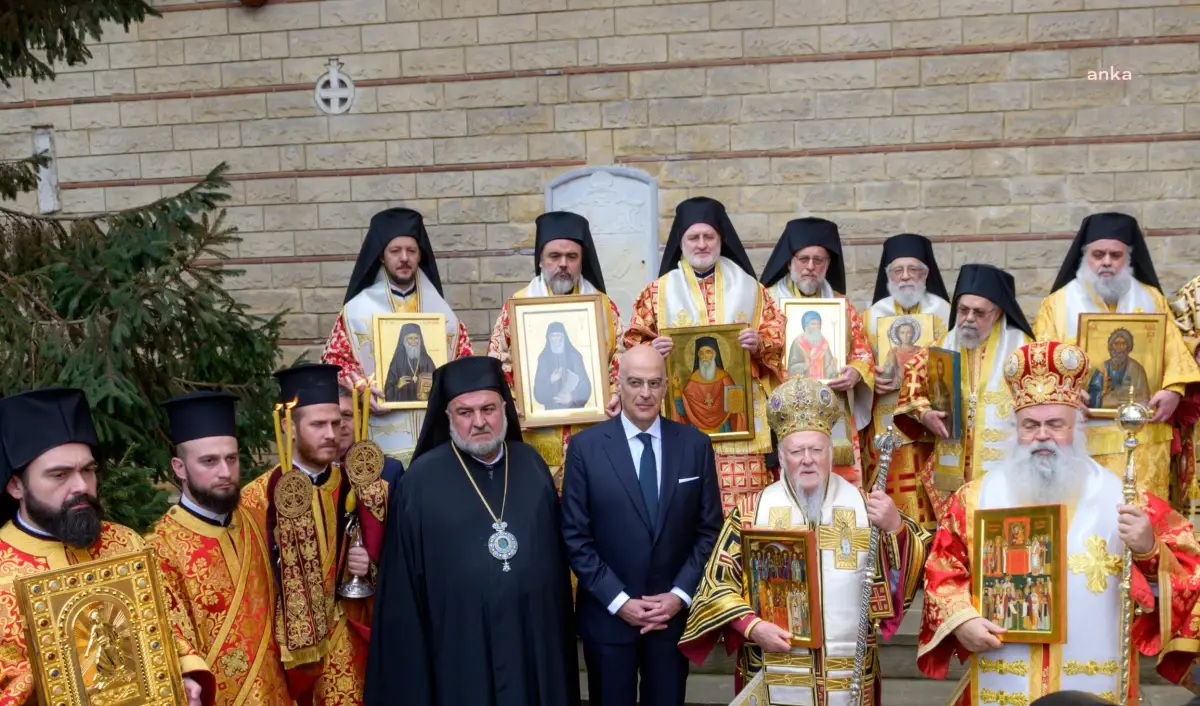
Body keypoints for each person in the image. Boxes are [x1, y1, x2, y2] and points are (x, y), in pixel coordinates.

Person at [917, 341, 1200, 705]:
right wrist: (960, 620)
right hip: (1002, 682)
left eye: (1055, 424)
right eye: (1030, 425)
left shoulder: (1124, 497)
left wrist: (1149, 548)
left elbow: (1190, 573)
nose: (1042, 436)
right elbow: (942, 571)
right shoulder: (975, 498)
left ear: (1078, 425)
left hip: (1095, 684)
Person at [678, 376, 929, 705]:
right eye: (797, 451)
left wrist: (896, 527)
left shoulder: (865, 506)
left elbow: (913, 561)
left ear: (831, 452)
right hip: (773, 671)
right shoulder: (752, 513)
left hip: (849, 674)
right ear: (782, 457)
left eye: (816, 449)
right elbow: (716, 586)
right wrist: (752, 627)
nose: (808, 459)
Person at [364, 356, 580, 706]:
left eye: (489, 409)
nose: (479, 422)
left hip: (532, 644)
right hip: (459, 654)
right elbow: (402, 593)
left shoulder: (531, 465)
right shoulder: (419, 483)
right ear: (447, 416)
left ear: (505, 410)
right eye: (465, 412)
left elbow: (555, 565)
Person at [0, 387, 212, 705]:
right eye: (59, 475)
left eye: (88, 470)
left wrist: (184, 675)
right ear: (16, 485)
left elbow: (172, 632)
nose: (81, 487)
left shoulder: (126, 544)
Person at [561, 345, 723, 706]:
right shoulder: (586, 448)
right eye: (635, 383)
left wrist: (678, 596)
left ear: (667, 386)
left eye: (653, 383)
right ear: (618, 385)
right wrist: (620, 602)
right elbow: (575, 536)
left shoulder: (694, 445)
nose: (645, 393)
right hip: (608, 619)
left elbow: (710, 530)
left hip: (670, 622)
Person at [625, 197, 784, 515]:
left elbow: (778, 341)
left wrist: (760, 344)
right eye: (693, 238)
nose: (701, 244)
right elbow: (631, 347)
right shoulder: (656, 292)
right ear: (680, 243)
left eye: (708, 236)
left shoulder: (752, 290)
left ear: (720, 239)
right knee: (685, 513)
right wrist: (650, 353)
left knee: (747, 513)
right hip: (678, 425)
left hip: (742, 431)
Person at [1034, 212, 1200, 499]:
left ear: (1129, 258)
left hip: (1144, 438)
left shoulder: (1152, 299)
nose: (1106, 262)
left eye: (1115, 254)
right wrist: (1067, 394)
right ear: (1085, 256)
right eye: (1098, 255)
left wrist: (1173, 390)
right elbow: (1041, 365)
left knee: (1145, 521)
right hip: (1084, 437)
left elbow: (1176, 355)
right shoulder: (1057, 305)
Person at [245, 363, 380, 706]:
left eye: (337, 422)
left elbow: (391, 553)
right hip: (281, 653)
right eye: (318, 424)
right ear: (290, 427)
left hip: (345, 641)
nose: (332, 433)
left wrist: (370, 563)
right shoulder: (255, 499)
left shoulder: (361, 487)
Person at [147, 390, 291, 704]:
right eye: (209, 461)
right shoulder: (160, 548)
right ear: (180, 467)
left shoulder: (258, 521)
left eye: (231, 458)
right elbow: (168, 635)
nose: (225, 472)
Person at [323, 207, 473, 467]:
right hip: (379, 438)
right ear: (381, 255)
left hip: (436, 440)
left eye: (411, 251)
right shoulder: (356, 312)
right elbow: (334, 363)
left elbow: (464, 362)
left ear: (420, 255)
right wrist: (360, 388)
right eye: (395, 251)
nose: (404, 258)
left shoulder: (443, 314)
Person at [488, 211, 624, 492]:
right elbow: (498, 365)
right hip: (534, 437)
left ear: (581, 260)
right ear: (540, 260)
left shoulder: (604, 308)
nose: (563, 264)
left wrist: (615, 393)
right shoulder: (516, 306)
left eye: (572, 256)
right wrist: (514, 402)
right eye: (554, 256)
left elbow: (620, 358)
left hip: (591, 433)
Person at [895, 264, 1034, 521]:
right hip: (953, 473)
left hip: (1006, 471)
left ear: (998, 312)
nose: (969, 318)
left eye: (979, 312)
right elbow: (911, 387)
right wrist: (925, 414)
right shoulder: (941, 347)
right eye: (963, 310)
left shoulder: (1025, 350)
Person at [760, 217, 876, 486]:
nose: (810, 267)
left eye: (819, 260)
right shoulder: (767, 302)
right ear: (789, 261)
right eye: (803, 258)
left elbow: (863, 352)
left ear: (829, 264)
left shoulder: (841, 304)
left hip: (831, 410)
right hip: (785, 413)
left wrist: (856, 373)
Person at [865, 232, 952, 529]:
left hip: (932, 434)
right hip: (887, 430)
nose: (905, 277)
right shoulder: (872, 316)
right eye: (897, 270)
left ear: (926, 274)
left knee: (931, 511)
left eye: (913, 269)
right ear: (887, 275)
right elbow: (859, 362)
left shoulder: (944, 314)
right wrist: (870, 380)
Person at [673, 336, 747, 433]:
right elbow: (682, 411)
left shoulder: (725, 378)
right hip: (698, 435)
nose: (704, 356)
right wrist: (677, 389)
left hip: (723, 431)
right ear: (697, 356)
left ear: (715, 354)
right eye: (701, 353)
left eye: (708, 352)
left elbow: (737, 411)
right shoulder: (692, 381)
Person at [337, 384, 404, 487]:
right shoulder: (308, 473)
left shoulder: (389, 471)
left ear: (359, 419)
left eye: (347, 415)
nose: (341, 424)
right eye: (333, 418)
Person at [533, 321, 593, 410]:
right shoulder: (543, 359)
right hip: (551, 414)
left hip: (574, 412)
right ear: (549, 338)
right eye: (553, 336)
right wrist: (551, 380)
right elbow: (538, 392)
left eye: (558, 335)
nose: (556, 339)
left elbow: (585, 385)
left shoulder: (575, 356)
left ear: (563, 337)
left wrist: (573, 397)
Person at [1086, 328, 1151, 408]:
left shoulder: (1137, 369)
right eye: (1116, 344)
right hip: (1103, 415)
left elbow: (1145, 398)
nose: (1119, 348)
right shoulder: (1102, 369)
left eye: (1123, 344)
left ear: (1128, 347)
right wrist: (1103, 392)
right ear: (1110, 347)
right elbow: (1092, 396)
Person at [383, 323, 437, 402]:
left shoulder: (427, 360)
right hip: (401, 408)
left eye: (416, 338)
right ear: (404, 340)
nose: (414, 341)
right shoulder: (397, 360)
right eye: (410, 338)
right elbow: (388, 392)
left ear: (420, 340)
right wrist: (398, 386)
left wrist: (428, 392)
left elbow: (437, 384)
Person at [786, 311, 838, 379]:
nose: (816, 326)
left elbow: (827, 371)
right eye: (813, 324)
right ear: (806, 325)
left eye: (818, 324)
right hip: (803, 386)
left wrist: (832, 367)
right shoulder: (798, 343)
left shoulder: (824, 344)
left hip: (822, 386)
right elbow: (791, 369)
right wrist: (805, 365)